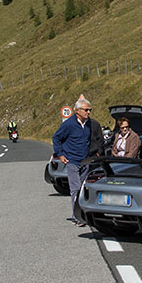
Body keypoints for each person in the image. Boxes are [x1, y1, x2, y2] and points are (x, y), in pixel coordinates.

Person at [51, 95, 102, 226]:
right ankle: (77, 216)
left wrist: (96, 152)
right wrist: (60, 154)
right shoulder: (69, 124)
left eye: (90, 110)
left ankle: (83, 214)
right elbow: (56, 138)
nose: (88, 112)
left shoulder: (90, 124)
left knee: (83, 188)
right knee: (75, 188)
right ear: (77, 111)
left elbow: (94, 140)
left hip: (85, 161)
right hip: (72, 161)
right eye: (86, 110)